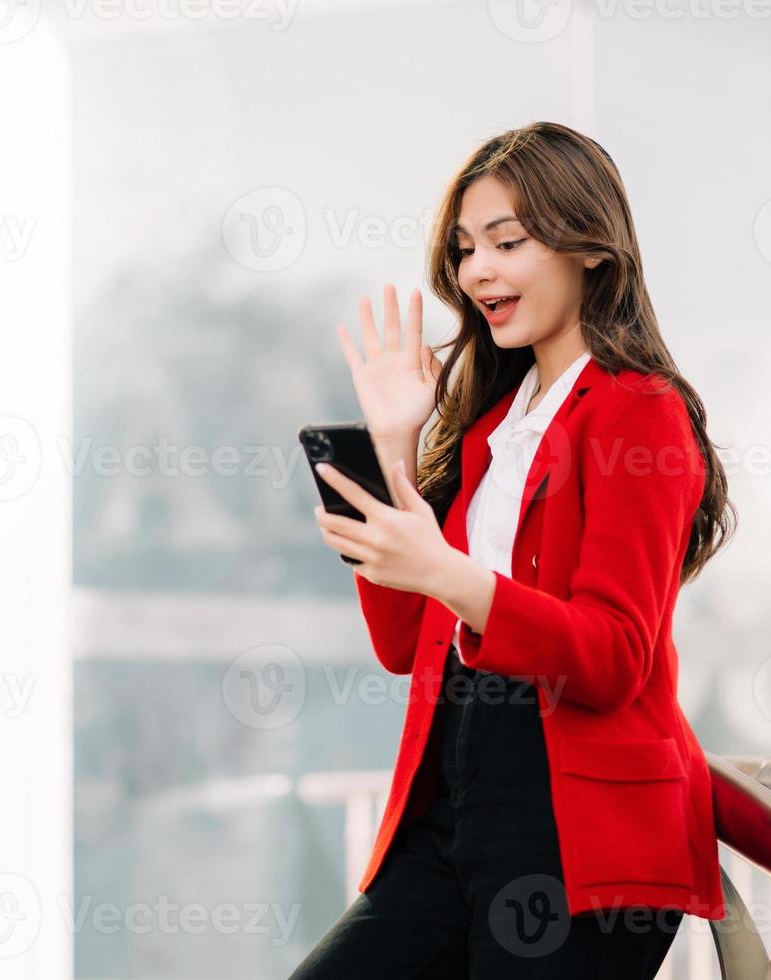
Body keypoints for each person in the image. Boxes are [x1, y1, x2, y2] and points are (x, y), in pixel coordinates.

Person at [292, 121, 737, 978]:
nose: (478, 272)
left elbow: (611, 657)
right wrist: (396, 446)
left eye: (509, 241)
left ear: (591, 249)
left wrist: (451, 574)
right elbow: (400, 647)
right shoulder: (493, 427)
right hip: (452, 815)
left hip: (574, 839)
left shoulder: (640, 413)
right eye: (465, 249)